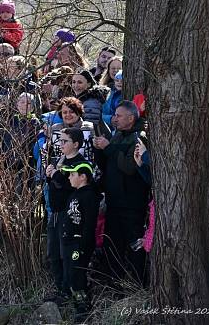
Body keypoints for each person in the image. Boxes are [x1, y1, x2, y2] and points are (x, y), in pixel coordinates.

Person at [93, 101, 150, 284]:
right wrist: (99, 149)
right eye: (114, 115)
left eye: (118, 115)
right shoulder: (117, 135)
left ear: (131, 118)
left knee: (134, 245)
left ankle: (137, 284)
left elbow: (129, 167)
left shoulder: (139, 137)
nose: (114, 119)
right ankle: (112, 282)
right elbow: (108, 164)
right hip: (114, 201)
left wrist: (108, 148)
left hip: (132, 204)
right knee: (113, 244)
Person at [44, 127, 90, 302]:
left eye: (65, 141)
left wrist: (56, 175)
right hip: (54, 212)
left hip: (69, 215)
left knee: (67, 256)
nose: (61, 144)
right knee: (53, 254)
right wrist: (50, 175)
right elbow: (55, 185)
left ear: (76, 144)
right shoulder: (59, 160)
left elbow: (72, 187)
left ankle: (70, 291)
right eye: (60, 141)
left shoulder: (80, 162)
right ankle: (61, 289)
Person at [60, 161, 100, 321]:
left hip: (79, 244)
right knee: (70, 273)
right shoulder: (73, 194)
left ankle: (84, 308)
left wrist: (82, 246)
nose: (69, 177)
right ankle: (76, 303)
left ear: (83, 177)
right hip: (69, 242)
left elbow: (90, 224)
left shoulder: (89, 195)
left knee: (77, 274)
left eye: (72, 174)